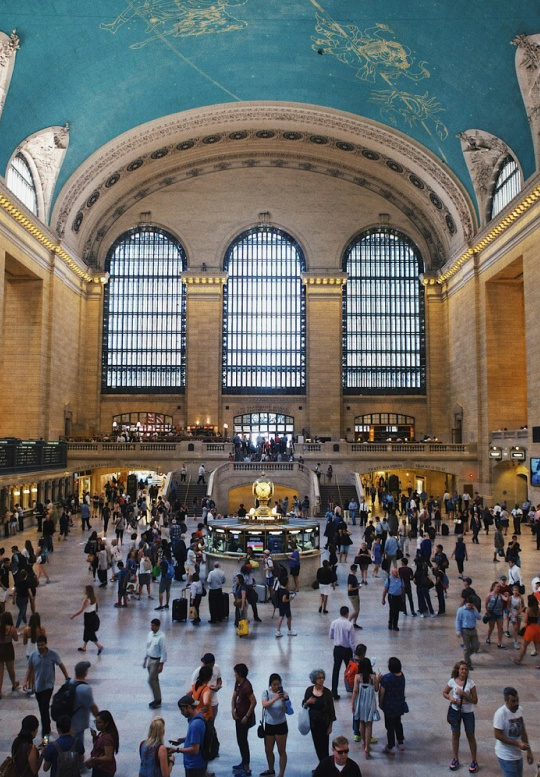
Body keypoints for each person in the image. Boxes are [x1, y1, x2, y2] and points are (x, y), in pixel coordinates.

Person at [25, 635, 70, 740]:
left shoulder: (52, 654)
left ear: (46, 644)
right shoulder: (34, 655)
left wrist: (67, 677)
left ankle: (45, 738)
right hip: (37, 687)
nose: (40, 647)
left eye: (42, 645)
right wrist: (25, 681)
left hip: (48, 686)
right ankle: (47, 726)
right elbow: (30, 668)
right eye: (38, 645)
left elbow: (61, 665)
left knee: (44, 710)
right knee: (42, 710)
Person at [442, 661, 478, 772]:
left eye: (466, 669)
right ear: (458, 670)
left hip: (468, 712)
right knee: (455, 735)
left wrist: (465, 695)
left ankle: (474, 760)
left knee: (470, 735)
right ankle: (455, 758)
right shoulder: (452, 681)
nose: (464, 671)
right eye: (462, 669)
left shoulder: (471, 684)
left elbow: (475, 700)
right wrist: (450, 698)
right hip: (455, 711)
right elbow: (444, 692)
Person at [493, 686, 534, 776]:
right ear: (506, 700)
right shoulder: (500, 714)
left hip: (517, 754)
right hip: (506, 755)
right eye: (513, 701)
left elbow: (523, 731)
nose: (516, 703)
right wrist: (518, 744)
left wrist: (529, 751)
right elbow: (497, 735)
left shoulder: (520, 710)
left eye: (517, 700)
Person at [303, 669, 336, 763]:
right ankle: (322, 765)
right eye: (319, 678)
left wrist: (330, 726)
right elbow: (304, 705)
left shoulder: (327, 693)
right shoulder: (309, 690)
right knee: (317, 745)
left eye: (322, 678)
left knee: (324, 746)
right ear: (314, 679)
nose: (321, 680)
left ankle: (325, 766)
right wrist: (308, 702)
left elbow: (331, 711)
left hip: (324, 723)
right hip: (314, 723)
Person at [350, 650, 378, 759]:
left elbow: (355, 691)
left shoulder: (357, 677)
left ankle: (362, 741)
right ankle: (367, 746)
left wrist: (352, 703)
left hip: (360, 703)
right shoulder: (373, 677)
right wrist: (378, 679)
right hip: (370, 703)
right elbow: (376, 689)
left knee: (361, 722)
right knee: (369, 724)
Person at [261, 672, 289, 777]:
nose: (276, 686)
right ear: (270, 685)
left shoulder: (284, 693)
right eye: (274, 684)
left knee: (281, 750)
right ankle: (271, 769)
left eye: (278, 684)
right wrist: (276, 698)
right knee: (268, 750)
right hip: (269, 724)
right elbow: (265, 705)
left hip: (281, 724)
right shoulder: (266, 693)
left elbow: (287, 711)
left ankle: (281, 773)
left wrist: (284, 700)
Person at [231, 662, 256, 777]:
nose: (234, 674)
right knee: (240, 740)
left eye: (235, 673)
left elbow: (253, 702)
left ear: (240, 673)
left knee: (243, 741)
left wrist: (247, 716)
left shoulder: (247, 686)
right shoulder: (238, 683)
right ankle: (243, 761)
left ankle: (246, 767)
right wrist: (232, 710)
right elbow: (234, 695)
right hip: (238, 715)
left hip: (244, 718)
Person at [378, 656, 406, 755]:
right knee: (398, 723)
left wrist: (380, 704)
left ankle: (390, 746)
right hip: (399, 704)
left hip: (389, 706)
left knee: (389, 727)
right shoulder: (402, 675)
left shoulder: (386, 678)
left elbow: (382, 692)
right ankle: (400, 741)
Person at [175, 694, 208, 777]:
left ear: (189, 707)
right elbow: (196, 737)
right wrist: (181, 740)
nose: (181, 713)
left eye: (182, 710)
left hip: (195, 765)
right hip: (196, 764)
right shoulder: (197, 718)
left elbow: (195, 749)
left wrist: (177, 750)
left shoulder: (195, 725)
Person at [69, 661, 99, 747]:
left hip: (68, 721)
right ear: (85, 672)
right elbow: (92, 706)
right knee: (78, 746)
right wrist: (99, 718)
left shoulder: (69, 682)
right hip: (78, 723)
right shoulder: (85, 689)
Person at [329, 606, 356, 699]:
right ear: (347, 614)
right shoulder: (349, 625)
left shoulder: (334, 622)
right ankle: (352, 688)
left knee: (336, 669)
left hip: (337, 649)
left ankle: (334, 691)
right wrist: (354, 651)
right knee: (350, 670)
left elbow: (331, 635)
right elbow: (352, 640)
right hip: (347, 650)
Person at [70, 585, 103, 654]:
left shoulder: (86, 600)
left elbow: (81, 610)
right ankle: (84, 647)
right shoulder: (94, 598)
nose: (83, 591)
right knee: (87, 631)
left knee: (90, 632)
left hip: (88, 617)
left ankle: (99, 646)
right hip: (93, 615)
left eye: (84, 590)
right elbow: (96, 606)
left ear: (87, 591)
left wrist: (73, 615)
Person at [85, 709, 119, 776]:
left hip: (104, 770)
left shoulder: (107, 738)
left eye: (99, 723)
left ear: (106, 723)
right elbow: (99, 746)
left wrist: (93, 759)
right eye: (96, 722)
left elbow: (108, 757)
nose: (97, 725)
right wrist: (95, 737)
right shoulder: (102, 733)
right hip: (99, 767)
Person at [143, 618, 167, 709]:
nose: (151, 627)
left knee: (151, 680)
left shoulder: (161, 637)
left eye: (153, 625)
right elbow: (148, 647)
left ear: (158, 626)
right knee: (155, 680)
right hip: (150, 659)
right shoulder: (150, 634)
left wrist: (161, 664)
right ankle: (157, 698)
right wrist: (145, 659)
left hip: (156, 661)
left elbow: (163, 651)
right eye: (151, 625)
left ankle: (157, 699)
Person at [510, 594, 540, 665]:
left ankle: (518, 659)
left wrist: (523, 615)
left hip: (530, 629)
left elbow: (525, 620)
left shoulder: (528, 609)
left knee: (524, 645)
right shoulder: (538, 609)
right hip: (537, 628)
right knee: (538, 647)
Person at [191, 652, 222, 720]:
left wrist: (218, 686)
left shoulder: (216, 668)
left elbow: (219, 680)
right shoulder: (197, 672)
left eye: (205, 663)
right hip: (200, 704)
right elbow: (193, 689)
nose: (203, 664)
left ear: (211, 664)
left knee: (211, 721)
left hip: (213, 701)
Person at [455, 595, 482, 669]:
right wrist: (458, 630)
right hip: (465, 630)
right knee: (467, 647)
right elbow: (458, 621)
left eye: (471, 605)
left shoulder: (473, 610)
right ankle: (467, 663)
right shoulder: (461, 610)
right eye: (469, 605)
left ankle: (466, 656)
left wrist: (475, 609)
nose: (470, 606)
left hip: (473, 630)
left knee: (475, 645)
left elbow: (479, 617)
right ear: (465, 603)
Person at [0, 609, 19, 698]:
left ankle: (0, 691)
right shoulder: (12, 629)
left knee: (0, 672)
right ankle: (14, 684)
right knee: (10, 669)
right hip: (8, 649)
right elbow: (16, 639)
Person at [485, 581, 508, 649]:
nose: (498, 588)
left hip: (499, 613)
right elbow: (486, 604)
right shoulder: (489, 595)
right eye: (497, 586)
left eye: (499, 587)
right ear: (493, 587)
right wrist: (487, 612)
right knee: (491, 627)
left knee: (500, 628)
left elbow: (506, 599)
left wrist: (508, 595)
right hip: (492, 614)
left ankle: (499, 642)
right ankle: (488, 637)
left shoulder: (500, 595)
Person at [382, 567, 405, 631]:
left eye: (397, 572)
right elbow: (385, 590)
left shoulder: (400, 579)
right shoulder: (389, 580)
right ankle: (390, 623)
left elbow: (403, 588)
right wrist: (383, 598)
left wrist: (403, 596)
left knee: (397, 611)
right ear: (392, 573)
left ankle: (395, 625)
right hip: (392, 597)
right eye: (395, 572)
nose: (397, 573)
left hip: (398, 596)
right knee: (392, 610)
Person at [347, 564, 362, 628]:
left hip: (355, 594)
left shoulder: (353, 576)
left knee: (358, 609)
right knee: (356, 610)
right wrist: (357, 587)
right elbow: (350, 588)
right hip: (353, 595)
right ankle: (348, 621)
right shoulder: (351, 578)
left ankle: (354, 622)